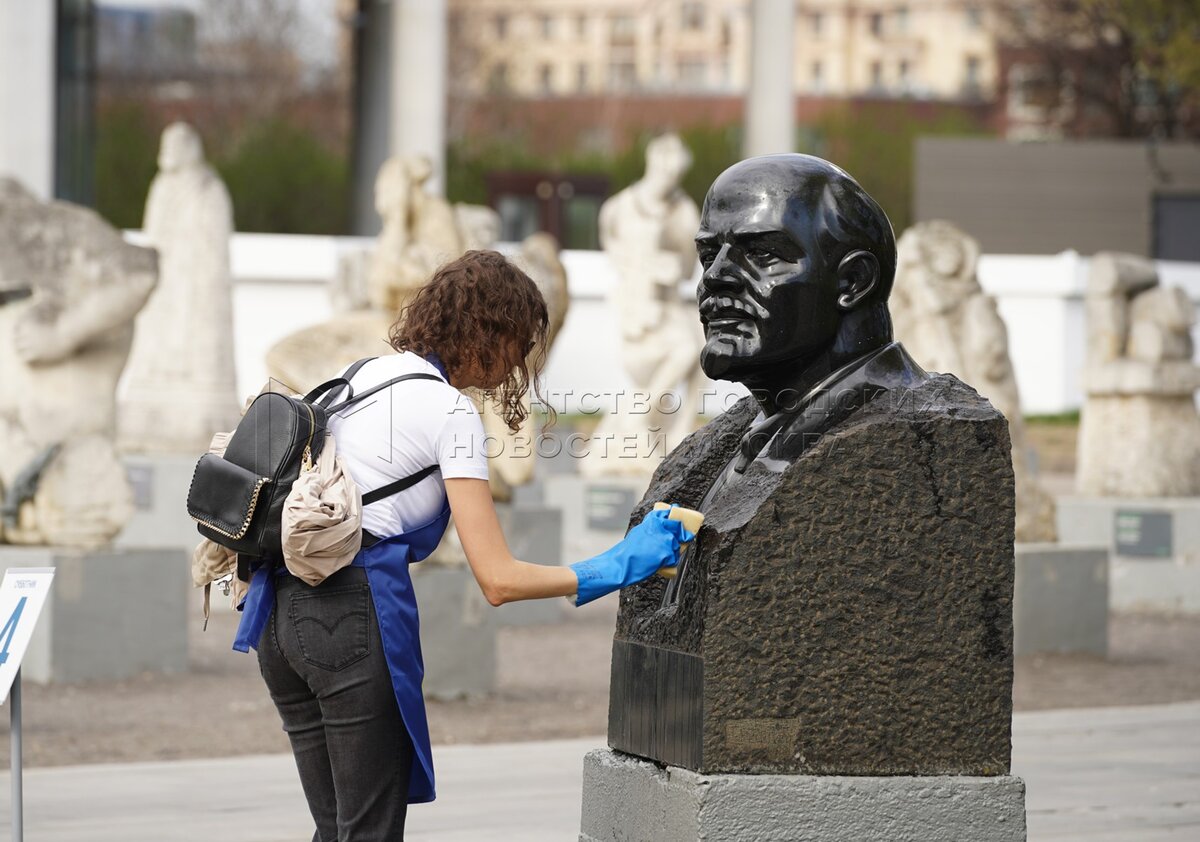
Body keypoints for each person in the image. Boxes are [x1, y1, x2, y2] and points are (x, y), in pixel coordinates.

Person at [240, 249, 691, 841]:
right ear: (488, 331)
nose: (519, 363)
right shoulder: (451, 411)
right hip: (346, 618)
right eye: (520, 342)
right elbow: (498, 580)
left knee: (337, 833)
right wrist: (620, 564)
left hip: (275, 620)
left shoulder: (360, 375)